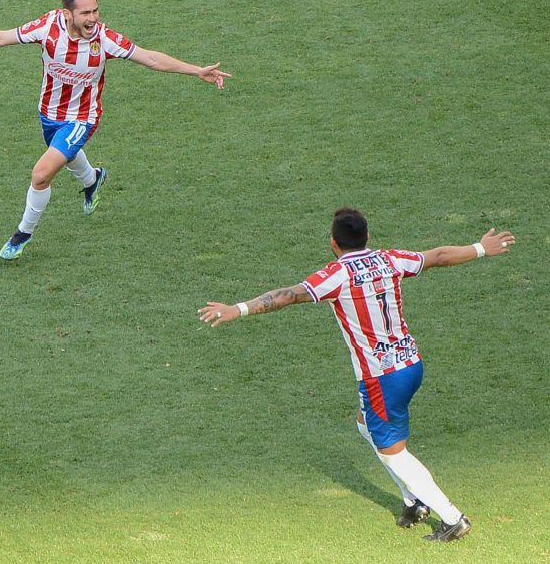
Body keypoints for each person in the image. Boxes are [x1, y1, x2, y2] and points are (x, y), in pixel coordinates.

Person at [198, 208, 516, 542]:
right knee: (366, 426)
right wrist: (481, 248)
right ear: (367, 237)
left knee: (393, 453)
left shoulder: (337, 275)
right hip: (410, 364)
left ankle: (451, 517)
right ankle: (412, 501)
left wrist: (238, 309)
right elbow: (437, 256)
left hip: (381, 378)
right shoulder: (390, 259)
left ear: (333, 243)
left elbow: (288, 295)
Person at [0, 0, 230, 260]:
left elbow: (149, 58)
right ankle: (93, 179)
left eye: (95, 11)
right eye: (85, 13)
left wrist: (196, 70)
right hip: (48, 114)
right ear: (68, 14)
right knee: (65, 155)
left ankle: (23, 233)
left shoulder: (104, 39)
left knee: (41, 174)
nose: (93, 18)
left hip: (82, 118)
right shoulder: (48, 27)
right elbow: (0, 38)